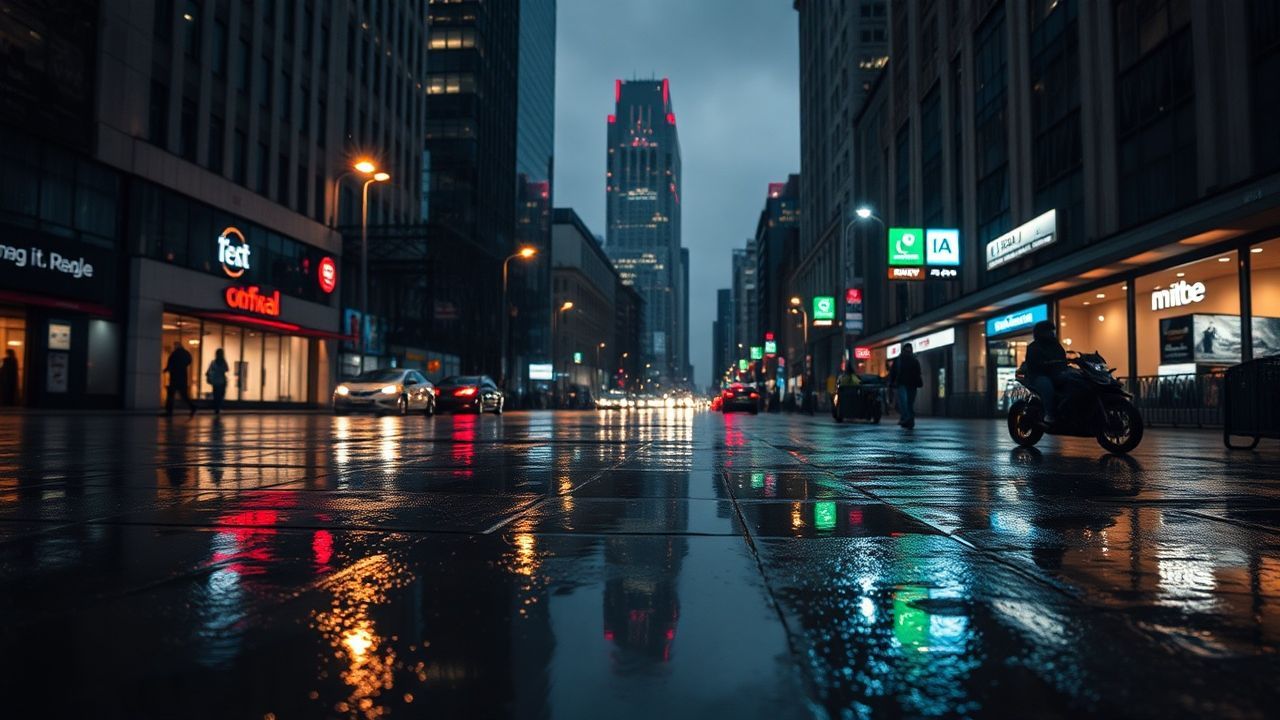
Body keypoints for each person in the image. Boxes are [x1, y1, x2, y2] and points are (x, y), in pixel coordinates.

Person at [1024, 320, 1069, 424]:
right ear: (1040, 332)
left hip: (1057, 373)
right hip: (1039, 375)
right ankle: (1049, 414)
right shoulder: (1033, 347)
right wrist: (1046, 364)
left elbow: (1063, 357)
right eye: (1048, 331)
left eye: (1052, 331)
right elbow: (1033, 364)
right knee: (1046, 386)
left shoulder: (1056, 345)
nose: (1051, 333)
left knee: (1074, 379)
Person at [888, 343, 923, 428]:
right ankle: (908, 419)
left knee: (904, 403)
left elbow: (893, 372)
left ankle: (907, 419)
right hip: (908, 384)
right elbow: (918, 372)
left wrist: (891, 382)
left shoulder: (899, 360)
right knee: (908, 403)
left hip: (904, 384)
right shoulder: (913, 359)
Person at [163, 341, 197, 417]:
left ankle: (169, 411)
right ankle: (192, 407)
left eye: (175, 345)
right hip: (182, 377)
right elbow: (189, 361)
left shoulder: (174, 354)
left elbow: (170, 363)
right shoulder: (185, 353)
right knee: (183, 395)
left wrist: (166, 370)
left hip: (175, 377)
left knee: (171, 395)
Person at [205, 348, 230, 415]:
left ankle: (216, 408)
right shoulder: (223, 362)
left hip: (215, 381)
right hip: (222, 381)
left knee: (216, 395)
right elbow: (227, 369)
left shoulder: (213, 362)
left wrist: (209, 376)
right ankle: (218, 407)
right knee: (220, 395)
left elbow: (208, 371)